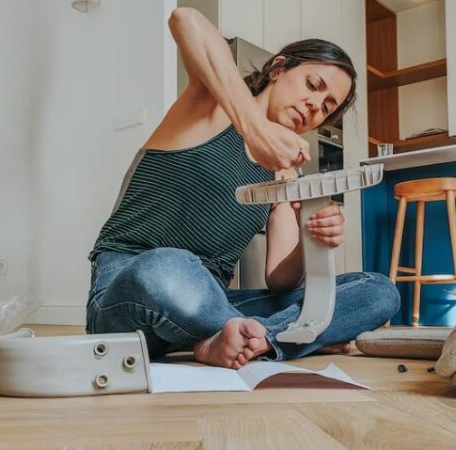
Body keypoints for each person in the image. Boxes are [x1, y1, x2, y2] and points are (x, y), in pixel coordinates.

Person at [85, 7, 399, 369]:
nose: (315, 105)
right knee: (166, 267)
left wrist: (312, 238)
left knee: (377, 290)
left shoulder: (285, 173)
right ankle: (289, 335)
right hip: (133, 290)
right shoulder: (210, 106)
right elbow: (185, 19)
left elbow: (280, 279)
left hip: (213, 302)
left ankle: (247, 338)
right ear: (278, 68)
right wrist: (255, 128)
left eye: (327, 107)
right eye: (313, 85)